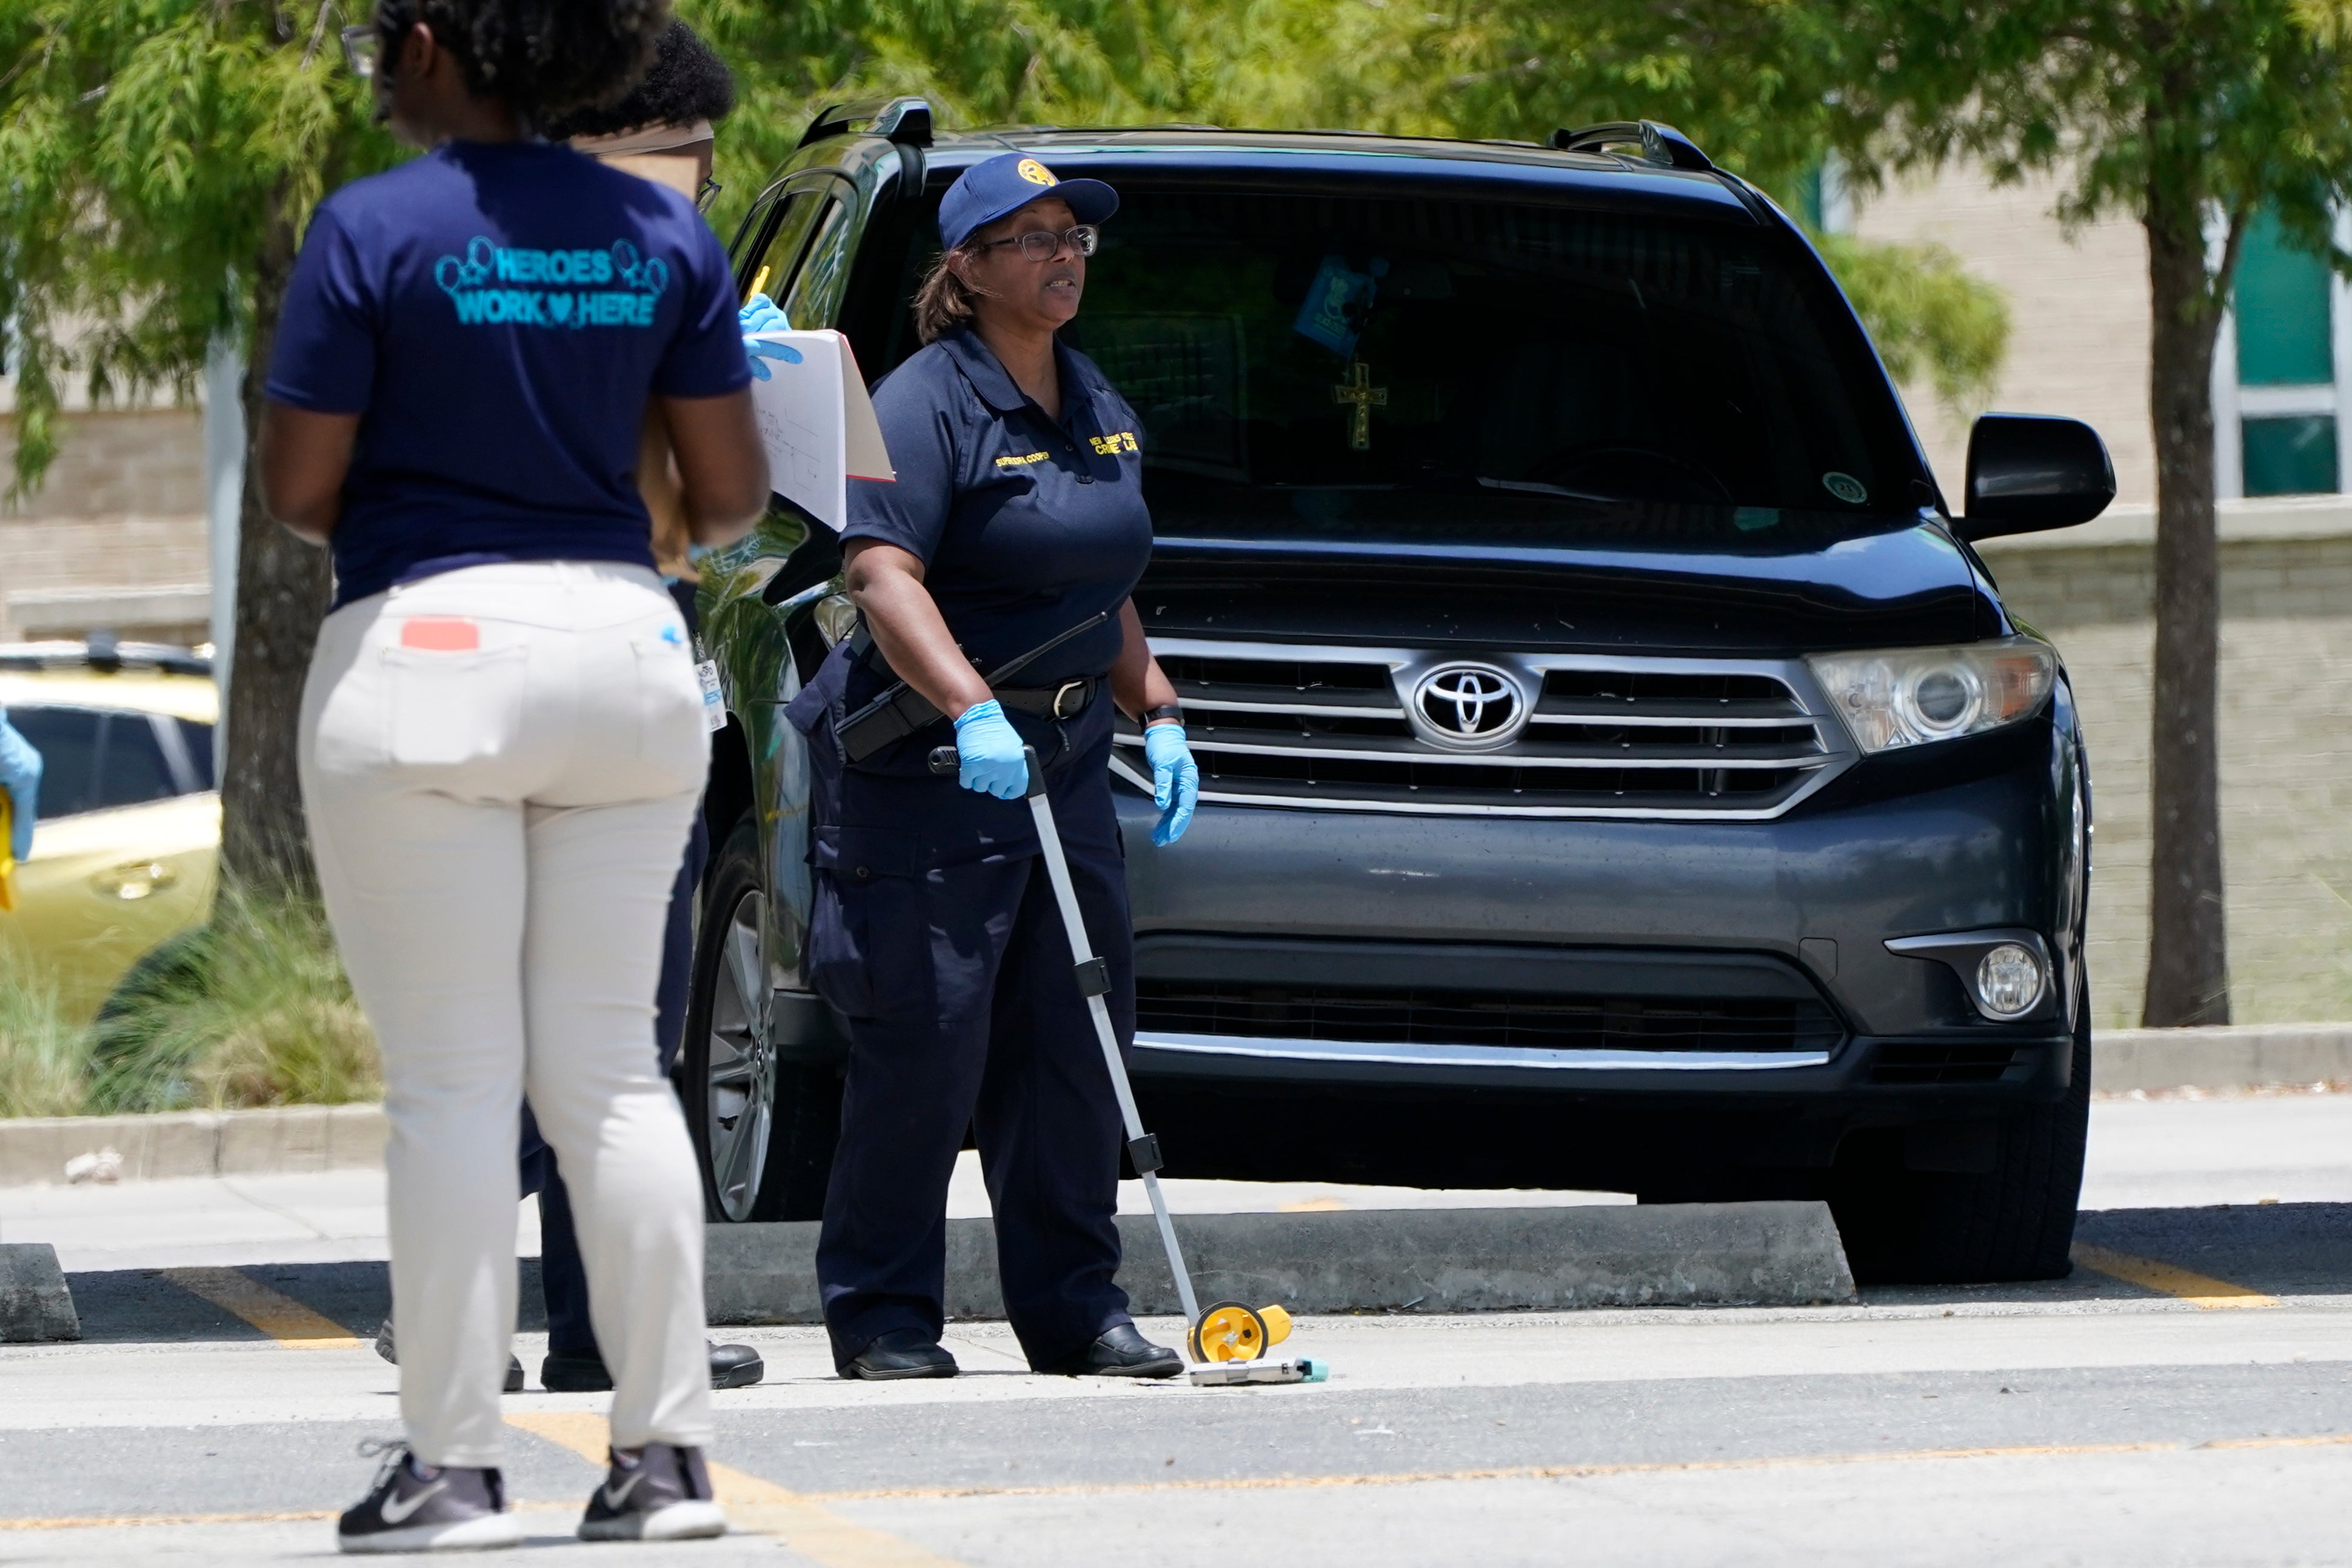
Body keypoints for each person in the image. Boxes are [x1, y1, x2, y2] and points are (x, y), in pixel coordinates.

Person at [261, 0, 766, 1550]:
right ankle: (667, 1457)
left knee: (456, 1085)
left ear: (434, 42)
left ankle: (455, 1468)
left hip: (430, 650)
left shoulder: (372, 228)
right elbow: (732, 491)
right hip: (624, 648)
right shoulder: (655, 231)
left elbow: (298, 491)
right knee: (613, 1072)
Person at [784, 152, 1202, 1383]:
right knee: (928, 1042)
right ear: (964, 271)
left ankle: (1077, 1308)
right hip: (931, 774)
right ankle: (884, 1313)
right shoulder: (926, 402)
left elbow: (1095, 582)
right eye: (1028, 239)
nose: (1062, 256)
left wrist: (1158, 709)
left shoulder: (1093, 395)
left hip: (1064, 764)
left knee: (1072, 1043)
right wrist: (966, 707)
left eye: (1073, 236)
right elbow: (878, 572)